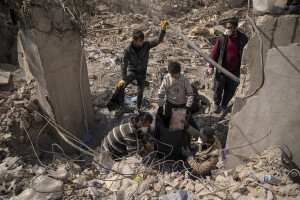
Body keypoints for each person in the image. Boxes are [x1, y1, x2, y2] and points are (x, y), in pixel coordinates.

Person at [116, 21, 167, 114]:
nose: (142, 42)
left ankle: (138, 109)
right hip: (132, 72)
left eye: (142, 40)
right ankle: (121, 107)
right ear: (134, 40)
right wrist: (123, 78)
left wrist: (162, 31)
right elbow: (124, 64)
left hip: (142, 72)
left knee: (140, 92)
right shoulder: (128, 49)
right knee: (121, 87)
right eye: (140, 41)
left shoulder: (146, 45)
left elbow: (157, 41)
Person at [208, 17, 248, 113]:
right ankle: (216, 104)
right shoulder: (222, 38)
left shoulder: (243, 38)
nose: (227, 30)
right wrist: (211, 66)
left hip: (235, 71)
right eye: (226, 28)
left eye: (230, 28)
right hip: (222, 69)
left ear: (235, 28)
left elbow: (247, 52)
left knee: (230, 90)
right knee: (218, 88)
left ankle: (224, 105)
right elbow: (215, 52)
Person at [157, 61, 194, 125]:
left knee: (178, 124)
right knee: (167, 122)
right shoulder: (167, 78)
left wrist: (188, 106)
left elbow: (190, 93)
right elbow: (161, 92)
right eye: (172, 76)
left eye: (175, 76)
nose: (174, 77)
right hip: (169, 104)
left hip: (181, 104)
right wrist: (160, 106)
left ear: (179, 72)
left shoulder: (184, 79)